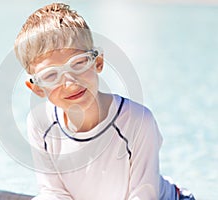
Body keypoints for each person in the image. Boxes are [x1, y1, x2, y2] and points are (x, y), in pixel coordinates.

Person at [14, 2, 195, 200]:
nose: (70, 82)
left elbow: (144, 196)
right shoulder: (40, 124)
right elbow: (54, 192)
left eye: (78, 63)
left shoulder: (138, 121)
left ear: (97, 62)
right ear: (37, 88)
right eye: (51, 75)